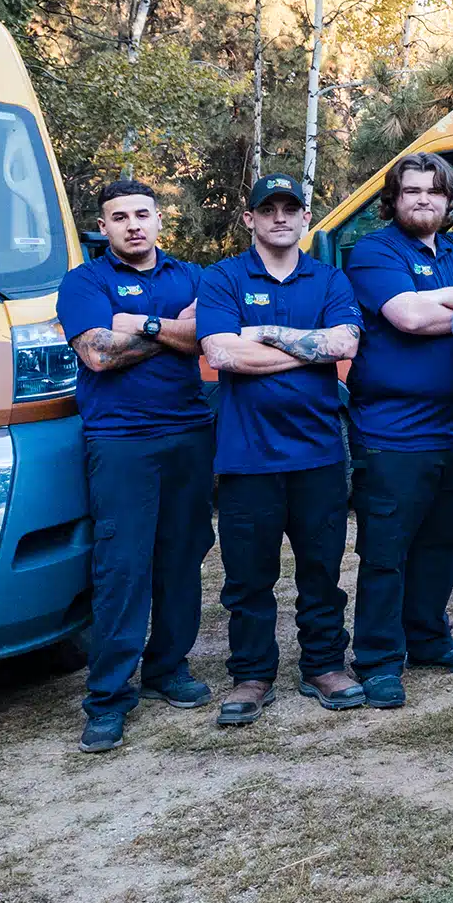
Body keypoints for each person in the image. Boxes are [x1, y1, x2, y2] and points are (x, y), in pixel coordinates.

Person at [196, 173, 365, 725]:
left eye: (290, 208)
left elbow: (344, 343)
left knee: (322, 570)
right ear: (249, 219)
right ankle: (252, 675)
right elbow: (222, 354)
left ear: (303, 217)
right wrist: (307, 350)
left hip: (318, 454)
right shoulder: (223, 278)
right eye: (267, 209)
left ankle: (323, 665)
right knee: (248, 577)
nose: (280, 218)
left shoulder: (329, 278)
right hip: (247, 457)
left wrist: (261, 333)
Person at [56, 179, 215, 754]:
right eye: (119, 217)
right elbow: (97, 353)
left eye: (142, 214)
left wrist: (137, 323)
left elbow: (208, 338)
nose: (132, 225)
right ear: (103, 226)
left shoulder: (191, 276)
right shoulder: (84, 281)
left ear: (158, 219)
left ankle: (168, 668)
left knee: (183, 552)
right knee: (122, 563)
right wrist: (173, 329)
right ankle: (108, 696)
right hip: (120, 441)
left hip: (189, 434)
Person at [341, 152, 453, 710]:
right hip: (392, 432)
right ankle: (380, 658)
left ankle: (428, 638)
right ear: (395, 198)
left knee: (442, 543)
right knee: (387, 549)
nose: (424, 200)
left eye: (434, 191)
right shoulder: (374, 250)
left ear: (447, 199)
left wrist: (450, 299)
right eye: (412, 191)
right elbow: (405, 317)